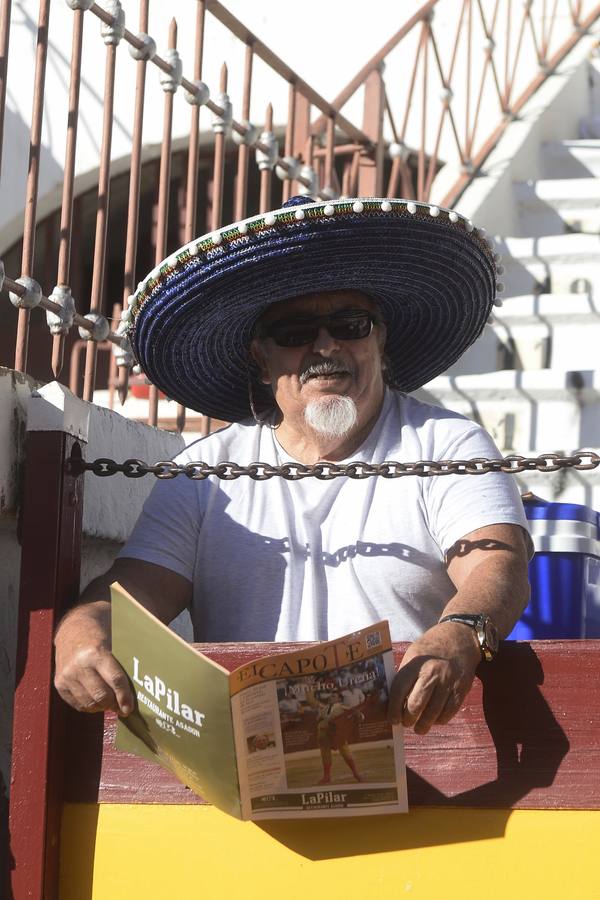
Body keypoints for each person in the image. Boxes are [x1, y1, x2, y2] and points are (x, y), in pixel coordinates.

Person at [54, 195, 531, 736]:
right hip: (246, 765)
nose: (326, 345)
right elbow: (133, 591)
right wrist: (80, 634)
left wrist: (460, 635)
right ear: (262, 359)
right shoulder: (205, 473)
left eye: (351, 324)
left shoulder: (448, 443)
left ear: (380, 338)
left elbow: (497, 567)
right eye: (294, 332)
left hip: (418, 750)